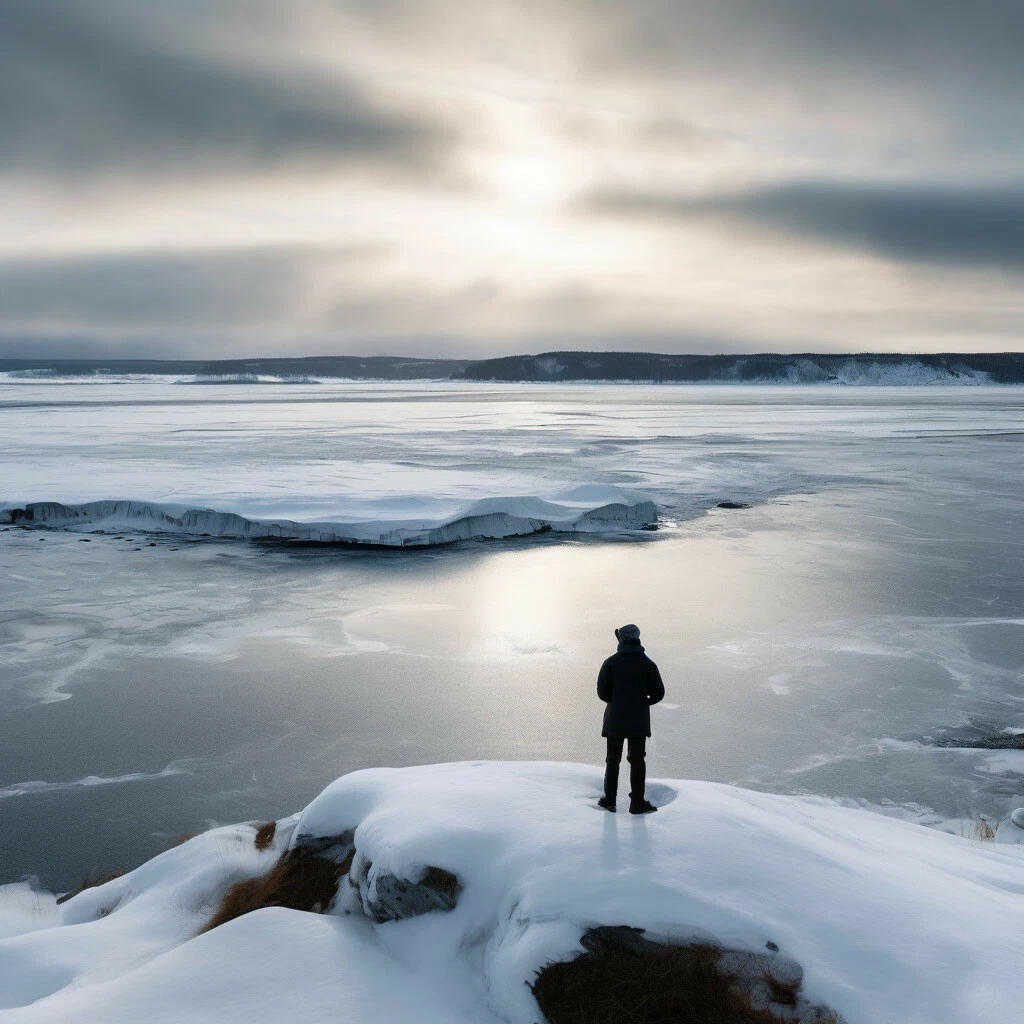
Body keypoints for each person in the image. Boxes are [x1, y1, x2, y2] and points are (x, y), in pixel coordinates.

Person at [596, 623, 664, 814]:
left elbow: (602, 693)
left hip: (615, 720)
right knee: (637, 761)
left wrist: (617, 701)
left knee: (612, 760)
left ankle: (610, 801)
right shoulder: (648, 664)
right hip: (638, 722)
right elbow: (658, 693)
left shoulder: (610, 663)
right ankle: (637, 803)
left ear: (622, 639)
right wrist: (642, 702)